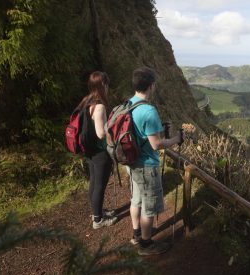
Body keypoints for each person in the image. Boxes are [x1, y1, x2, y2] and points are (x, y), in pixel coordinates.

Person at [128, 67, 183, 255]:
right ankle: (146, 244)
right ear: (151, 86)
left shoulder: (129, 104)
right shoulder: (148, 111)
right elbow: (156, 144)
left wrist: (159, 130)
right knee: (149, 205)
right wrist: (176, 139)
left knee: (136, 199)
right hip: (146, 166)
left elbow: (140, 133)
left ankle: (136, 234)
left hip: (131, 162)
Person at [77, 71, 118, 229]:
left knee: (94, 182)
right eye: (106, 84)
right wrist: (112, 130)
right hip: (100, 152)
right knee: (99, 185)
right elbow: (101, 132)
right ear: (103, 85)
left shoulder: (86, 101)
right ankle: (98, 221)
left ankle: (97, 212)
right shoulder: (99, 106)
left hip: (89, 150)